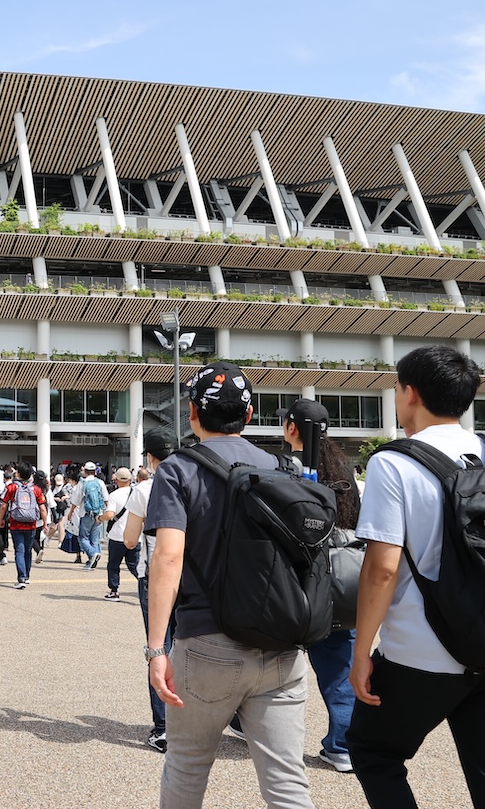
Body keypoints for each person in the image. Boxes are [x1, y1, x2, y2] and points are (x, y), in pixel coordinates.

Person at [145, 361, 315, 808]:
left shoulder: (178, 470)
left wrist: (156, 648)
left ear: (192, 412)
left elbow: (168, 557)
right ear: (251, 413)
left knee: (187, 763)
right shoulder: (284, 468)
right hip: (280, 640)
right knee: (286, 779)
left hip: (207, 641)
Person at [348, 345, 485, 807]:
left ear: (411, 393)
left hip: (420, 651)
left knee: (373, 751)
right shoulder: (484, 450)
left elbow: (383, 568)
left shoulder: (394, 462)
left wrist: (362, 651)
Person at [281, 398, 361, 774]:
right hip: (341, 582)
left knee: (264, 657)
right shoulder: (347, 470)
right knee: (339, 666)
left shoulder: (285, 469)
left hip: (294, 582)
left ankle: (248, 723)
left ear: (291, 428)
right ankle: (343, 744)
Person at [122, 428, 175, 753]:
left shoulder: (144, 489)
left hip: (154, 577)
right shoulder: (193, 482)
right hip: (193, 577)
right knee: (191, 647)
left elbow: (129, 539)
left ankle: (164, 727)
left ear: (150, 458)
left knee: (160, 648)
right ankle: (194, 722)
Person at [3, 461, 47, 589]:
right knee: (28, 551)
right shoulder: (36, 489)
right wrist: (44, 523)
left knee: (19, 551)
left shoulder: (12, 487)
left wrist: (1, 518)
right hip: (31, 524)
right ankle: (26, 576)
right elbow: (42, 508)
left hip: (16, 524)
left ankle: (21, 578)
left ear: (18, 474)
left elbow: (4, 504)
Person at [100, 466, 138, 602]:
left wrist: (100, 518)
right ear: (130, 479)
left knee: (114, 564)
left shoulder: (114, 495)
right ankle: (147, 586)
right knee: (135, 564)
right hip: (135, 535)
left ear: (116, 479)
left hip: (117, 535)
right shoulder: (137, 493)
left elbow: (110, 514)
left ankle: (114, 591)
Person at [77, 462, 107, 569]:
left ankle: (92, 553)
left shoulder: (82, 483)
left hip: (86, 513)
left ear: (85, 471)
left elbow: (76, 500)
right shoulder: (100, 482)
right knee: (95, 538)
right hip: (98, 513)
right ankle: (92, 561)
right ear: (95, 472)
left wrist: (71, 512)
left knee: (83, 537)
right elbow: (106, 498)